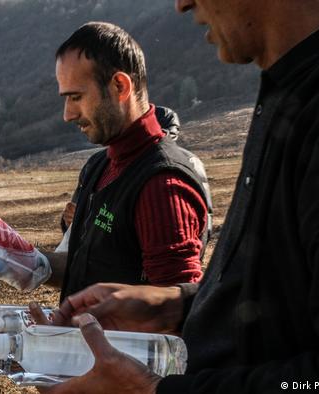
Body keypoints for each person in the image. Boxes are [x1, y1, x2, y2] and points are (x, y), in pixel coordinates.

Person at [37, 1, 319, 393]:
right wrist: (173, 306)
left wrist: (149, 390)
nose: (181, 5)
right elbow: (280, 302)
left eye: (75, 96)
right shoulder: (298, 91)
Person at [44, 22, 212, 301]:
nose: (68, 114)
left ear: (120, 86)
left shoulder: (162, 184)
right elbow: (88, 269)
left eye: (76, 97)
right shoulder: (101, 166)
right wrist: (27, 262)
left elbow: (173, 316)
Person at [59, 106, 183, 234]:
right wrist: (70, 222)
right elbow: (76, 212)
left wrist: (88, 221)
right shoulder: (97, 164)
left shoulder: (172, 171)